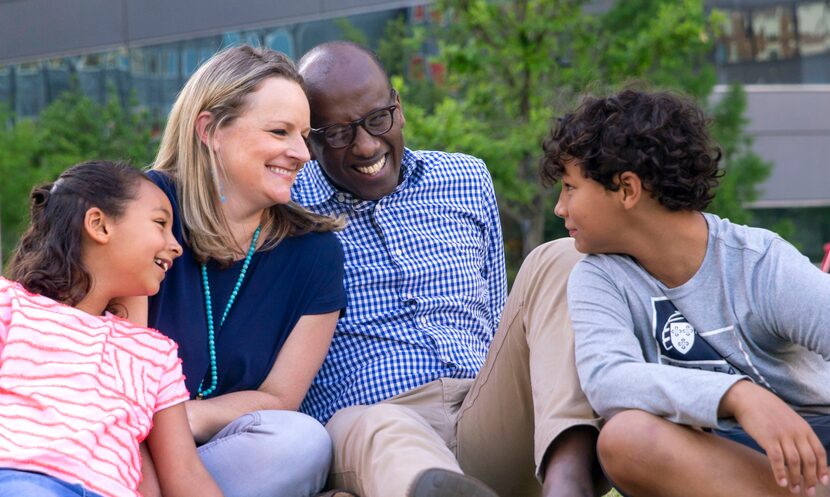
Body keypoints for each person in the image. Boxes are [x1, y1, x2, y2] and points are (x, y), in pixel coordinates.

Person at [292, 41, 604, 497]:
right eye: (337, 134)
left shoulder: (465, 178)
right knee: (379, 426)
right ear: (310, 138)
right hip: (377, 437)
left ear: (397, 106)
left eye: (378, 119)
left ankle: (566, 478)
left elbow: (499, 317)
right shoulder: (286, 210)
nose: (365, 145)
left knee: (558, 257)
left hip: (484, 409)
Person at [542, 89, 830, 497]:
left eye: (570, 187)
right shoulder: (599, 278)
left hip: (815, 437)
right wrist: (737, 396)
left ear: (627, 189)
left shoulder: (756, 262)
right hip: (714, 455)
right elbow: (607, 379)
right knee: (625, 439)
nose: (560, 207)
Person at [136, 45, 348, 497]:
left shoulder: (316, 253)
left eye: (304, 136)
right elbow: (114, 364)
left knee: (301, 441)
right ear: (210, 129)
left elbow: (279, 399)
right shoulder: (142, 209)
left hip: (224, 454)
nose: (301, 153)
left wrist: (186, 417)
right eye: (279, 131)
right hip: (129, 444)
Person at [0, 161, 223, 497]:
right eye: (160, 224)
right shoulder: (11, 306)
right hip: (22, 480)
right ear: (99, 225)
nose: (176, 246)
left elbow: (186, 475)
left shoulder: (155, 354)